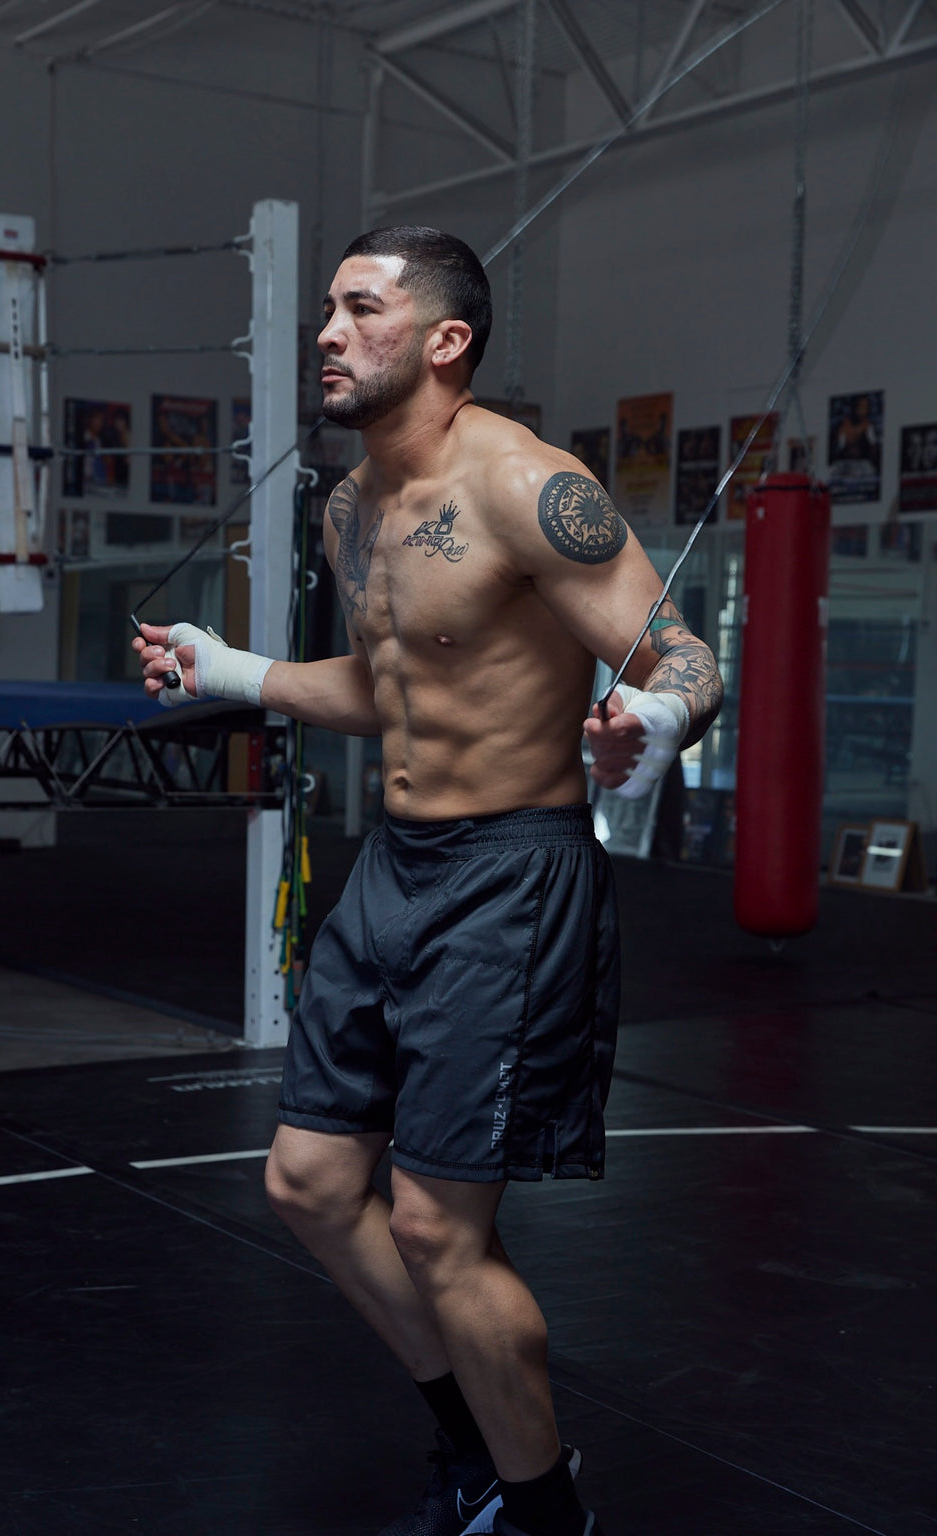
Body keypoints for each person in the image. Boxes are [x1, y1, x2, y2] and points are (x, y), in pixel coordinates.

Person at [133, 226, 723, 1536]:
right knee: (307, 1182)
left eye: (361, 310)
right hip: (395, 867)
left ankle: (542, 1514)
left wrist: (654, 721)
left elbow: (680, 653)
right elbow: (394, 684)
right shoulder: (353, 507)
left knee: (436, 1229)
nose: (328, 334)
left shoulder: (528, 485)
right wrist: (230, 669)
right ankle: (480, 1454)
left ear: (446, 341)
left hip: (513, 876)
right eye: (328, 311)